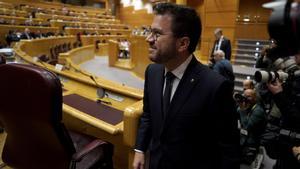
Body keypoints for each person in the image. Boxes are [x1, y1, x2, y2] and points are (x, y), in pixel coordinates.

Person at [133, 3, 240, 169]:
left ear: (183, 44)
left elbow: (228, 150)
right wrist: (140, 149)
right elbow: (148, 114)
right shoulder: (152, 72)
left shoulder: (216, 87)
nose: (148, 39)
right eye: (150, 31)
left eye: (157, 34)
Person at [237, 89, 266, 165]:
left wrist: (242, 110)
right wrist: (239, 104)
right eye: (244, 96)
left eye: (248, 96)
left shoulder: (258, 111)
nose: (245, 98)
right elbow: (235, 114)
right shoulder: (247, 106)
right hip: (244, 138)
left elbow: (247, 126)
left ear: (255, 98)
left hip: (252, 142)